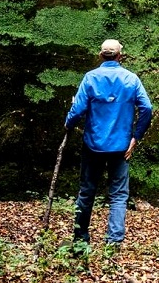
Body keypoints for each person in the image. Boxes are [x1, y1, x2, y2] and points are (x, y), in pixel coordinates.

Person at [65, 38, 153, 247]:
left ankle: (80, 239)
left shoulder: (90, 78)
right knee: (119, 195)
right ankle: (113, 242)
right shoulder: (131, 79)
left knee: (87, 192)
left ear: (100, 55)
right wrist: (136, 137)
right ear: (120, 56)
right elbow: (147, 108)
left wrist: (68, 123)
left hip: (93, 144)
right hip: (121, 147)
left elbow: (77, 110)